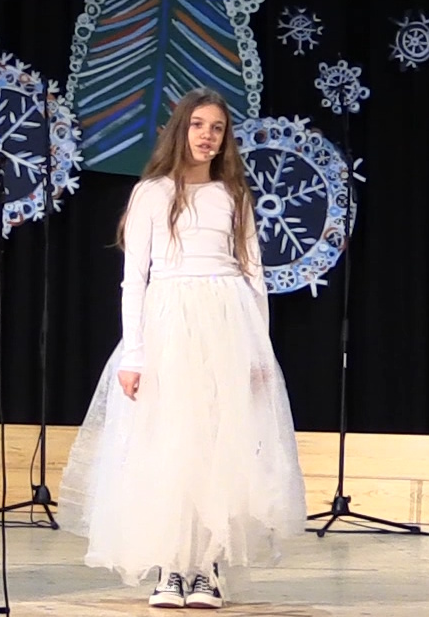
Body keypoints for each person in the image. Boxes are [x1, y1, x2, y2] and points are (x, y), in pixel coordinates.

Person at [57, 87, 307, 610]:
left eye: (217, 127)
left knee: (218, 445)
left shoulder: (233, 195)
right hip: (170, 323)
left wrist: (258, 352)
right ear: (180, 130)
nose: (207, 136)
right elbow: (134, 279)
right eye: (198, 125)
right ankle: (171, 565)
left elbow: (253, 275)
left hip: (226, 323)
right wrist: (134, 353)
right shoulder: (153, 193)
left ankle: (207, 567)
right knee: (170, 442)